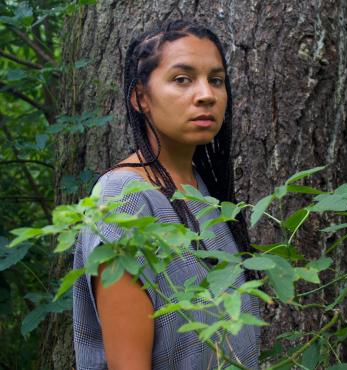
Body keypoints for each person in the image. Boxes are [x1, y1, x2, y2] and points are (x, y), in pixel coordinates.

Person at [73, 19, 260, 370]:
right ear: (141, 97)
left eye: (216, 80)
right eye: (182, 79)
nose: (206, 94)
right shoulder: (123, 200)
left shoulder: (202, 190)